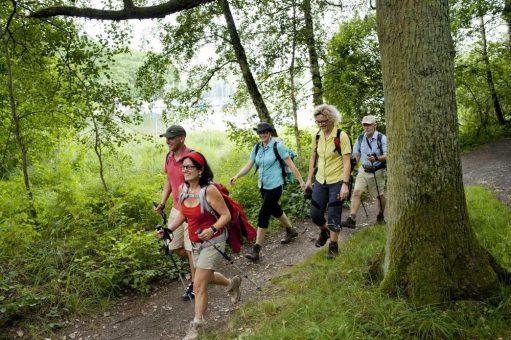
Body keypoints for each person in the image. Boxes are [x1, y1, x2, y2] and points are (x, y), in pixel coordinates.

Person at [158, 151, 241, 340]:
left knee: (198, 283)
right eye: (183, 167)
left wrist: (212, 229)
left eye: (189, 167)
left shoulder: (210, 190)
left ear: (201, 170)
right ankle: (232, 283)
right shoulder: (182, 189)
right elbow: (182, 214)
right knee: (206, 278)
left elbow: (226, 215)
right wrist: (168, 229)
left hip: (214, 241)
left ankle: (197, 326)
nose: (185, 170)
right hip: (196, 243)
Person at [230, 122, 306, 262]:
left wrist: (302, 182)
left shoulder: (278, 146)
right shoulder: (257, 147)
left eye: (265, 132)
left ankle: (256, 250)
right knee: (275, 209)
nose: (262, 134)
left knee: (263, 214)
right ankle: (291, 230)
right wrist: (237, 175)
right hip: (263, 186)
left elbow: (291, 165)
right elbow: (249, 165)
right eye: (260, 132)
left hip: (276, 185)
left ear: (270, 132)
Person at [153, 125, 196, 301]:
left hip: (192, 208)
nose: (168, 141)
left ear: (182, 138)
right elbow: (169, 181)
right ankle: (201, 268)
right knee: (174, 247)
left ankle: (196, 283)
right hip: (176, 209)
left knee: (190, 249)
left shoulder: (192, 157)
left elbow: (203, 180)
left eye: (171, 138)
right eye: (166, 138)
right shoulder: (169, 156)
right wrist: (163, 202)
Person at [304, 104, 352, 259]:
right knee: (315, 214)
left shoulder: (341, 136)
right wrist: (309, 179)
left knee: (333, 214)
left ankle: (333, 246)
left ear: (331, 119)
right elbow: (313, 158)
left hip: (337, 180)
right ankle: (324, 231)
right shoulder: (317, 136)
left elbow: (347, 162)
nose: (321, 124)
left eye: (324, 121)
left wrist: (345, 184)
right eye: (318, 122)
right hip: (320, 180)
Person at [343, 115, 387, 227]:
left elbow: (387, 155)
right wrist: (352, 169)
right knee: (356, 192)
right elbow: (356, 155)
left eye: (369, 125)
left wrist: (376, 158)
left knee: (379, 196)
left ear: (375, 125)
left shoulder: (382, 138)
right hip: (363, 170)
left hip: (377, 171)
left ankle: (380, 215)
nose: (366, 127)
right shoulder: (361, 138)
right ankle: (351, 219)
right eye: (364, 125)